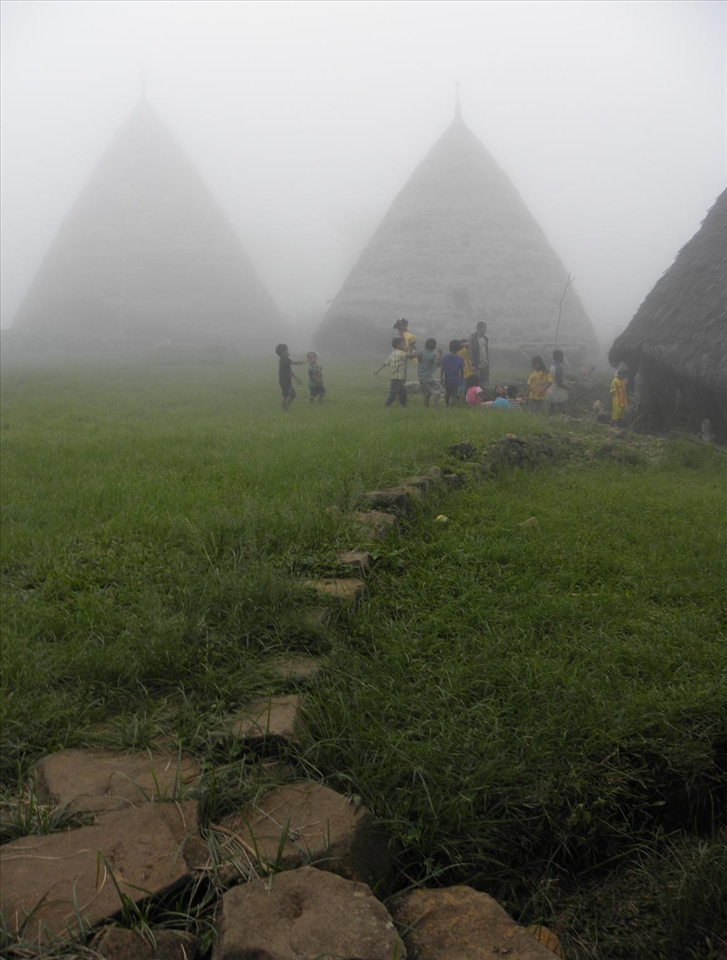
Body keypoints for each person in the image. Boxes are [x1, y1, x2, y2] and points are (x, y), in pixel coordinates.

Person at [374, 336, 410, 407]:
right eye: (403, 344)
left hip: (395, 377)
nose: (404, 346)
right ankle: (386, 405)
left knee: (403, 392)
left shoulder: (392, 354)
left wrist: (378, 370)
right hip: (397, 378)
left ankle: (403, 404)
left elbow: (386, 363)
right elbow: (408, 356)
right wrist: (410, 349)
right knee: (393, 393)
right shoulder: (401, 353)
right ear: (398, 345)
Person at [413, 338, 443, 407]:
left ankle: (426, 408)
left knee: (426, 394)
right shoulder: (433, 354)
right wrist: (441, 354)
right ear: (434, 346)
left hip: (420, 376)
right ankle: (435, 404)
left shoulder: (420, 351)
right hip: (428, 376)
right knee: (438, 389)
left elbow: (414, 355)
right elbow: (438, 364)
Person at [275, 343, 303, 412]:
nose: (288, 352)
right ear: (282, 352)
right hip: (286, 381)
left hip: (283, 381)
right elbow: (293, 364)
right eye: (287, 350)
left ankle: (284, 408)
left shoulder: (283, 359)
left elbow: (289, 371)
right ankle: (285, 407)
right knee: (292, 395)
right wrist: (303, 362)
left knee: (285, 395)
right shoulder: (285, 360)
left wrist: (297, 379)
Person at [441, 339, 465, 406]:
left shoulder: (445, 357)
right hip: (456, 381)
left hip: (447, 379)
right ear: (458, 349)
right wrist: (462, 379)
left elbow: (442, 369)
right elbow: (462, 371)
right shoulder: (460, 359)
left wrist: (441, 378)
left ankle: (447, 405)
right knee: (455, 395)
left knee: (447, 393)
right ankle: (453, 406)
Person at [468, 321, 490, 387]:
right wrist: (472, 364)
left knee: (484, 382)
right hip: (477, 365)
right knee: (476, 382)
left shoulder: (485, 339)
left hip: (485, 364)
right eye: (484, 328)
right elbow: (469, 352)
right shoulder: (472, 338)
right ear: (479, 328)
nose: (485, 330)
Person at [547, 349, 569, 413]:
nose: (563, 359)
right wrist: (568, 388)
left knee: (551, 409)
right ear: (559, 357)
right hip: (558, 391)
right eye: (562, 357)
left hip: (551, 389)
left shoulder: (551, 366)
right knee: (559, 409)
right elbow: (559, 382)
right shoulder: (559, 367)